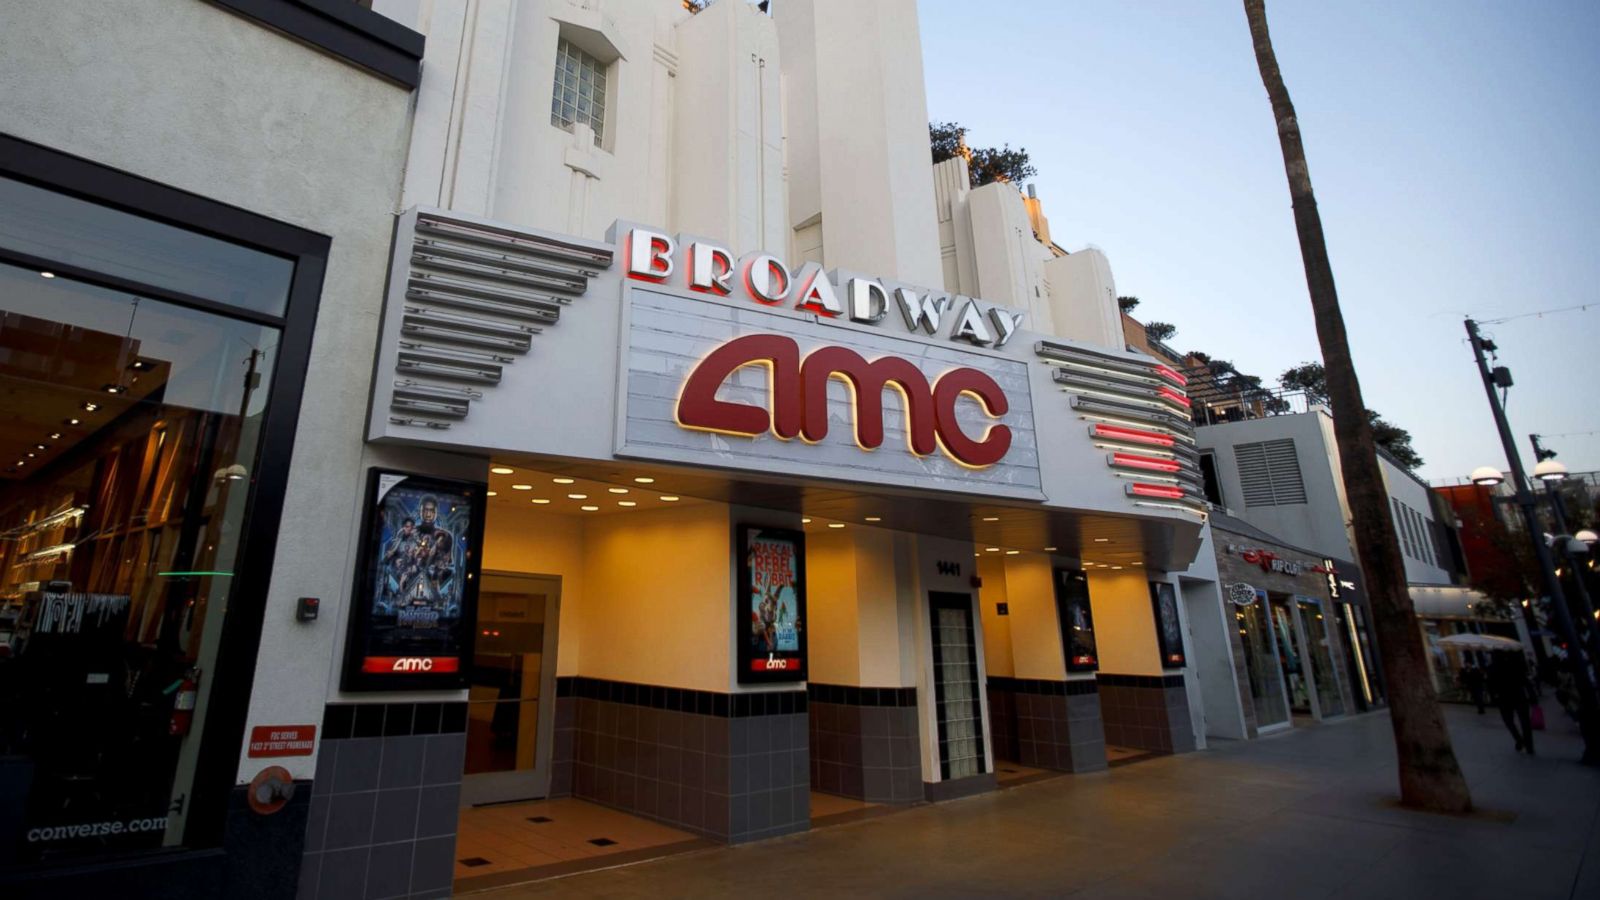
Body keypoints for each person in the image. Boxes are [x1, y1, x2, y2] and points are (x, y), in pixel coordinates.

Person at [1487, 650, 1536, 754]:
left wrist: (1493, 697)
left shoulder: (1492, 668)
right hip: (1519, 695)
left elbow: (1491, 685)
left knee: (1508, 721)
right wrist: (1532, 695)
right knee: (1525, 722)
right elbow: (1525, 681)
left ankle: (1519, 739)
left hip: (1504, 698)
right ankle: (1529, 746)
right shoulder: (1515, 664)